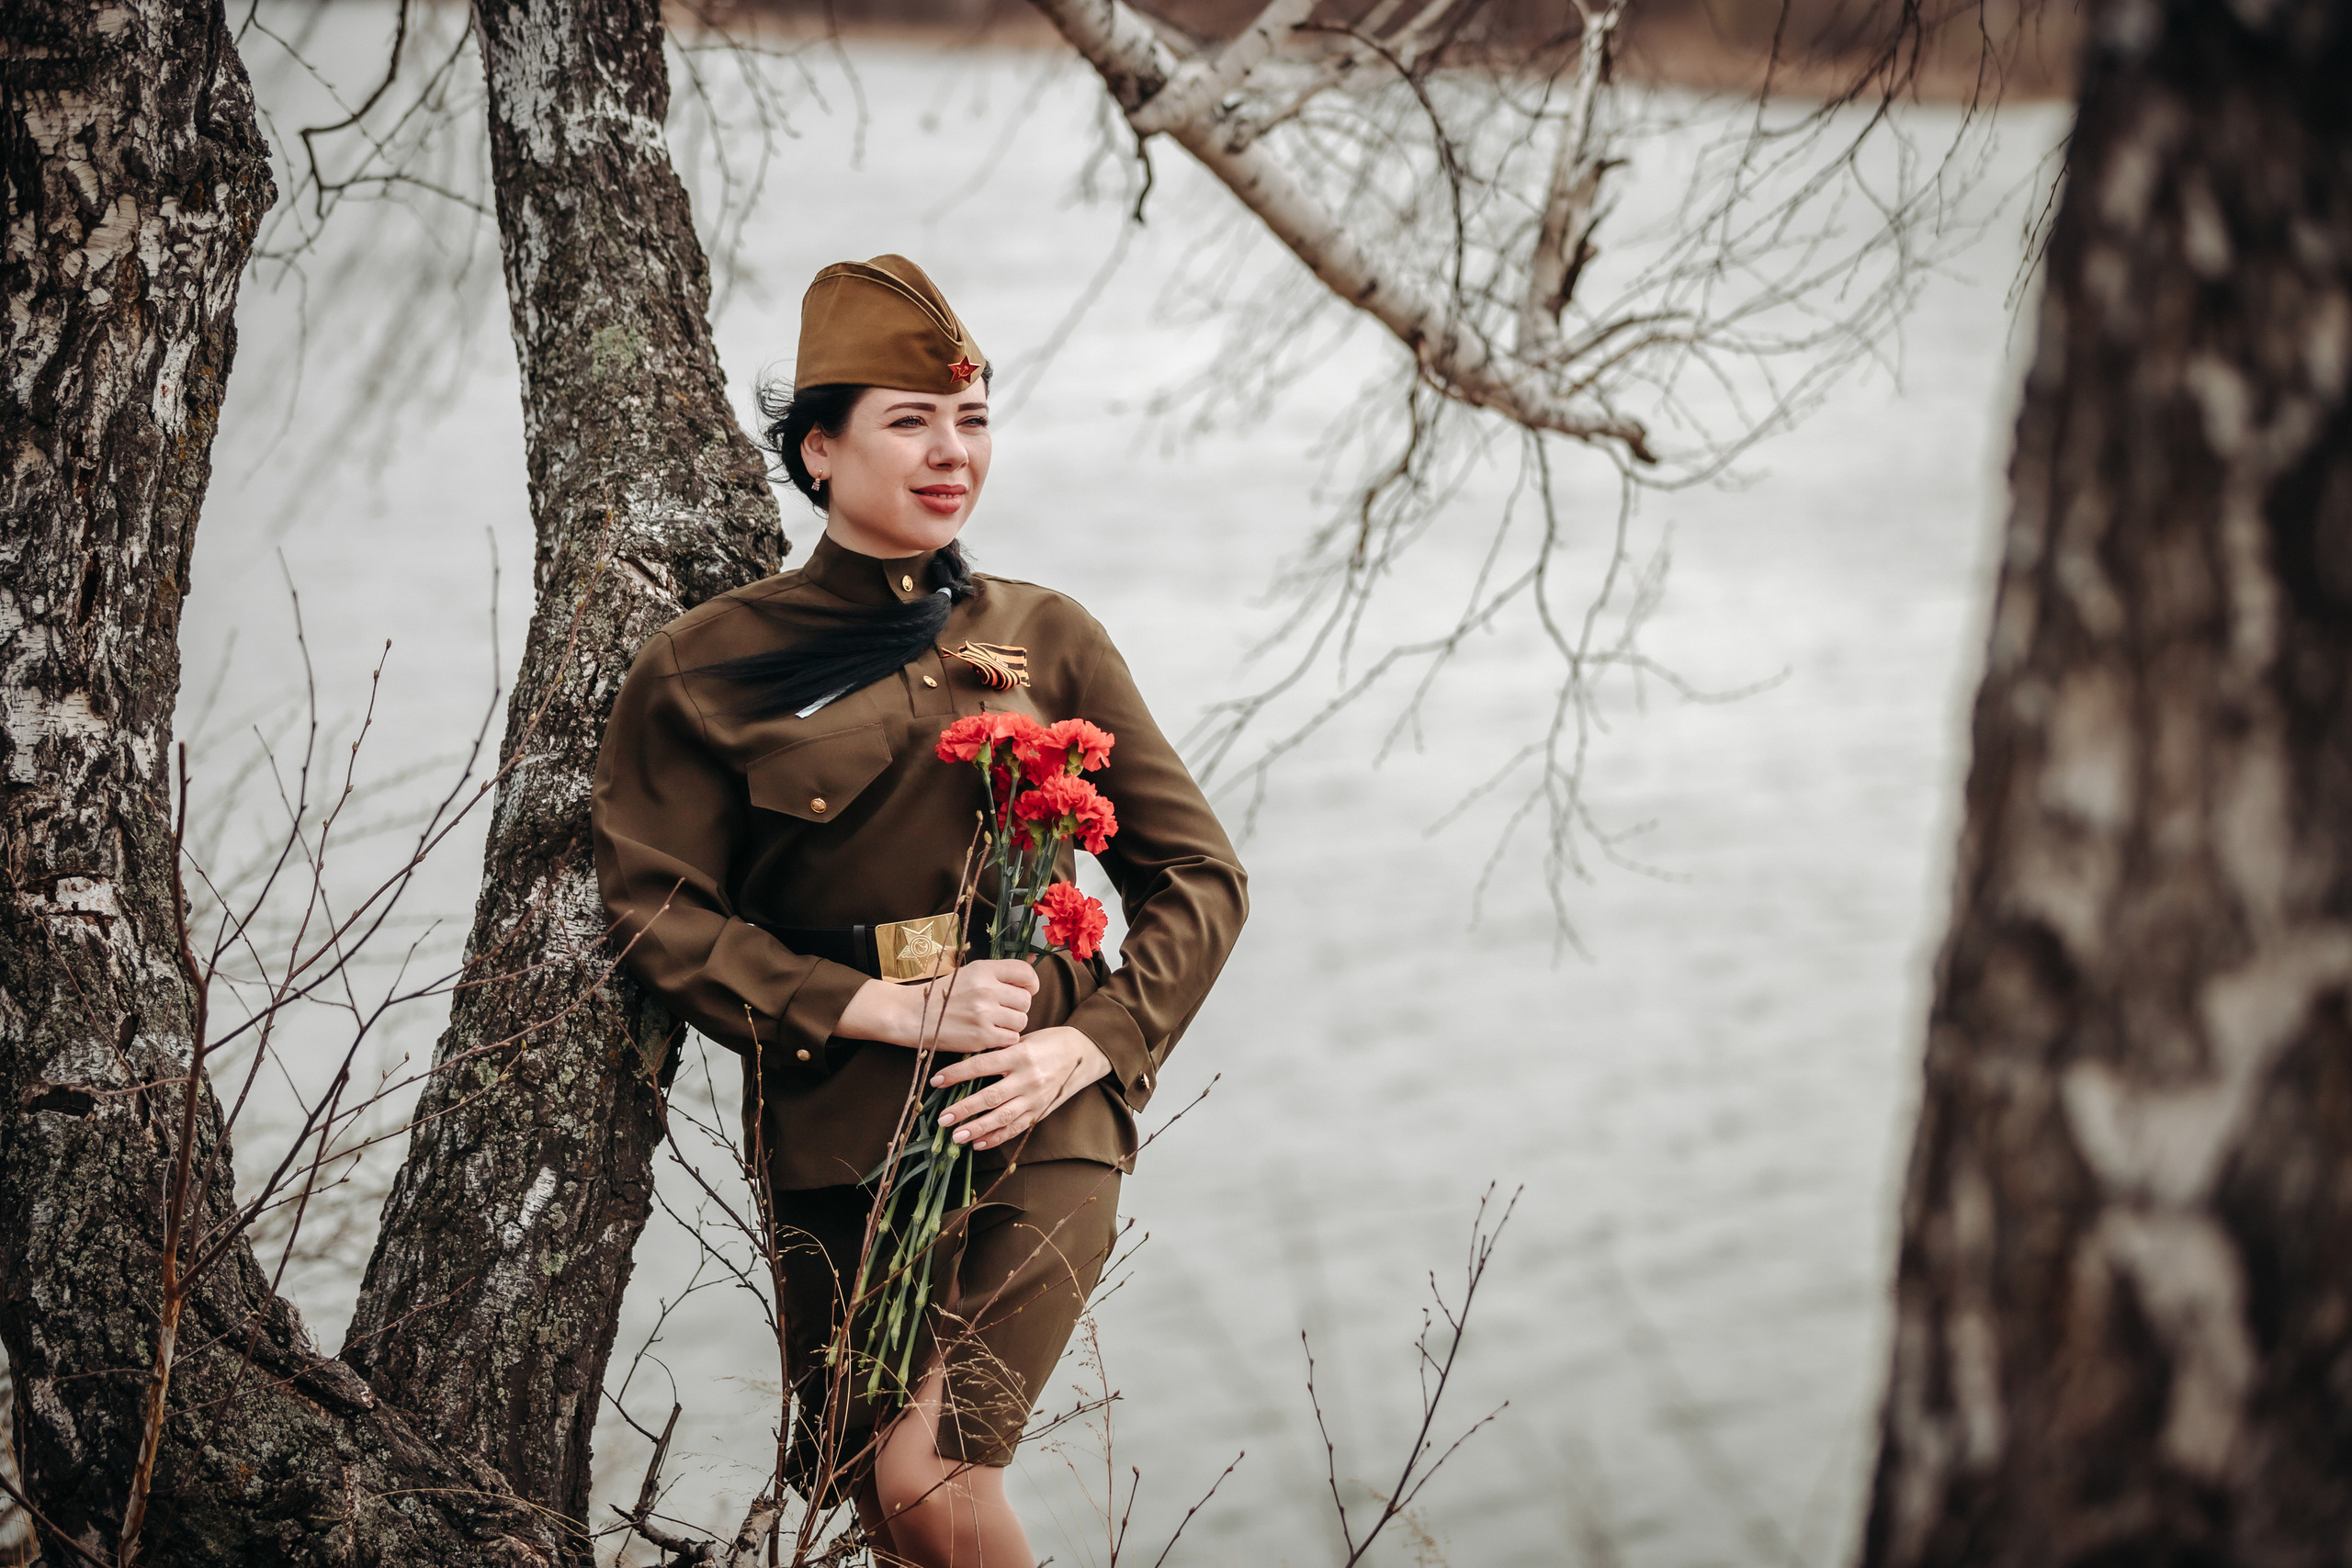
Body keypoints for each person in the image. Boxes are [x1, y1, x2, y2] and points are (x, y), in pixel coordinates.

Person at [590, 254, 1248, 1568]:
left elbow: (1200, 876)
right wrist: (873, 1007)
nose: (953, 453)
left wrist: (1090, 1047)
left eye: (973, 419)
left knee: (936, 1476)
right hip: (837, 1124)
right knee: (885, 1509)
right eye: (911, 421)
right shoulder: (707, 666)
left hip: (1033, 1104)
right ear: (819, 449)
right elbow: (658, 915)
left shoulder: (1046, 634)